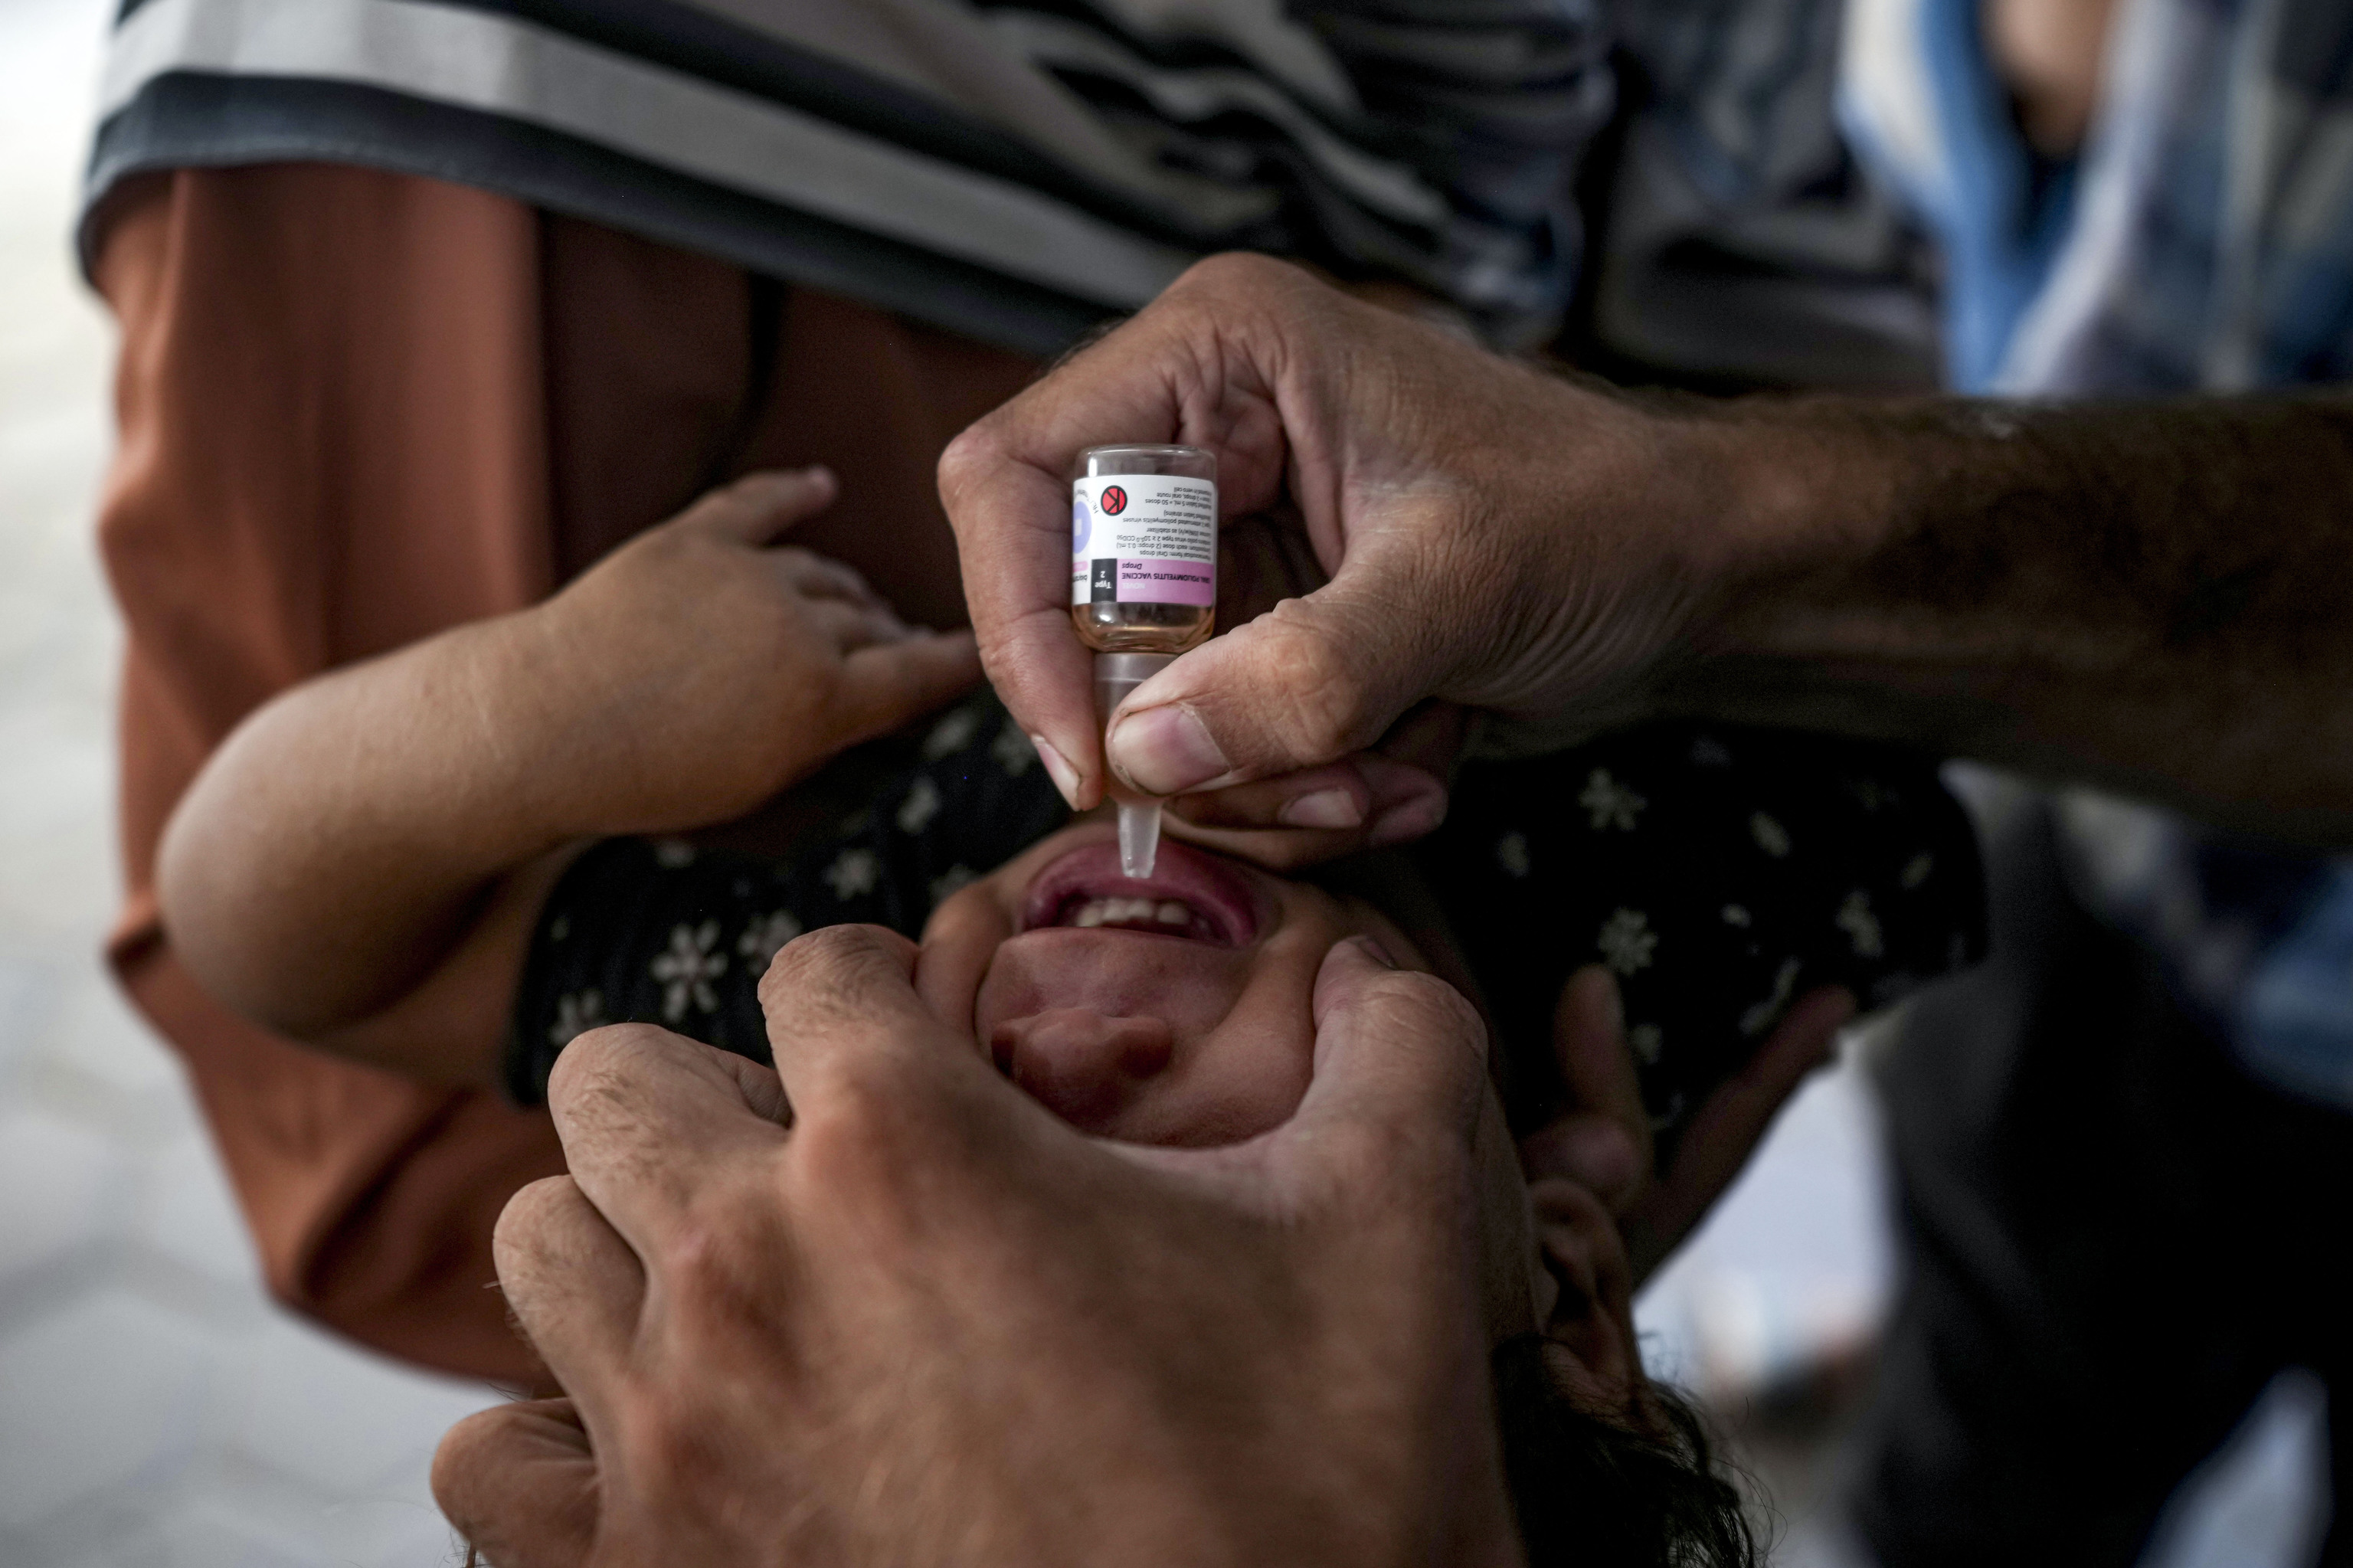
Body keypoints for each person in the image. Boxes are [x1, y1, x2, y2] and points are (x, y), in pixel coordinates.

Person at [939, 247, 2353, 1556]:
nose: (1059, 1055)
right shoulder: (1745, 892)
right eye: (1194, 1207)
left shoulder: (828, 814)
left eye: (914, 1127)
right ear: (1570, 1281)